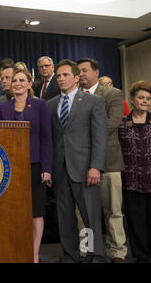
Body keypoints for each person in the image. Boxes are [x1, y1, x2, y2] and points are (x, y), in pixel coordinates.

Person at [47, 59, 107, 263]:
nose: (61, 79)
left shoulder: (93, 101)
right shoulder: (51, 104)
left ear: (76, 77)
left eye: (65, 75)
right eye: (58, 76)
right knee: (64, 218)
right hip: (60, 169)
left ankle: (94, 256)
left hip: (85, 169)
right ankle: (71, 256)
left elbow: (99, 137)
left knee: (89, 217)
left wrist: (96, 166)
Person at [0, 68, 52, 263]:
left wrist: (47, 168)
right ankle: (15, 250)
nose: (17, 83)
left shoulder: (40, 105)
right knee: (13, 210)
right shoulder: (3, 107)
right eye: (14, 81)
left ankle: (34, 254)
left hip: (35, 166)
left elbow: (47, 138)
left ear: (29, 83)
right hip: (9, 167)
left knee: (36, 212)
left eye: (22, 80)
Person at [77, 58, 127, 262]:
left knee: (113, 211)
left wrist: (82, 131)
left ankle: (117, 251)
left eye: (85, 70)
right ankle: (85, 250)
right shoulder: (75, 97)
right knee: (83, 213)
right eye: (78, 71)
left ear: (96, 72)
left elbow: (112, 123)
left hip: (109, 162)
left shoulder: (112, 94)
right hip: (80, 164)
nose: (81, 74)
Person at [118, 80, 151, 263]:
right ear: (133, 99)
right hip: (132, 180)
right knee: (136, 222)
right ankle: (141, 256)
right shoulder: (122, 124)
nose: (145, 101)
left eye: (148, 98)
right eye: (141, 97)